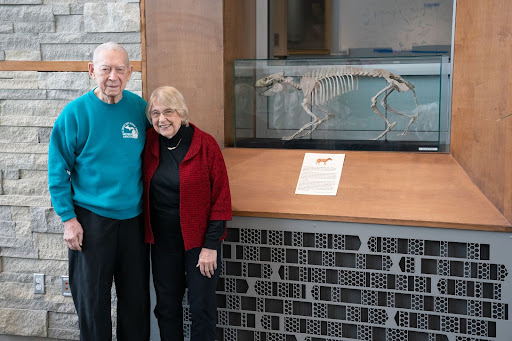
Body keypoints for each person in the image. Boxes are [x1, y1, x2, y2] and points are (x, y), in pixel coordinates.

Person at [48, 42, 150, 341]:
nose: (112, 76)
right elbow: (58, 171)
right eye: (105, 69)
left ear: (130, 73)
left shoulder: (140, 110)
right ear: (92, 71)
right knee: (93, 303)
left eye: (120, 69)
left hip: (134, 221)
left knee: (136, 302)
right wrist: (68, 219)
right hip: (90, 222)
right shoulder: (75, 113)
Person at [143, 86, 232, 341]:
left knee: (201, 308)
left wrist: (211, 245)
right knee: (166, 308)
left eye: (168, 111)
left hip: (199, 244)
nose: (162, 119)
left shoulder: (206, 144)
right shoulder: (149, 142)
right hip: (162, 243)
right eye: (156, 113)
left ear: (181, 112)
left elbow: (221, 199)